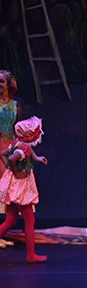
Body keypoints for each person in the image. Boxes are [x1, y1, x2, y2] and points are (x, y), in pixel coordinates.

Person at [0, 116, 48, 262]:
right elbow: (13, 158)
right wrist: (15, 171)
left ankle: (31, 255)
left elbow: (3, 154)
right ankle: (31, 255)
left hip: (13, 186)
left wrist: (37, 158)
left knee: (10, 220)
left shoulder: (18, 143)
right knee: (29, 220)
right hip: (21, 188)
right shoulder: (24, 148)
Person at [0, 70, 22, 180]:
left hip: (9, 145)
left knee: (8, 176)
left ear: (8, 85)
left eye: (1, 81)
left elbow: (19, 130)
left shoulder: (15, 106)